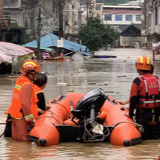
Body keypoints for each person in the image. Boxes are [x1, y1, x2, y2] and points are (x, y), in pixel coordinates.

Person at [6, 59, 42, 142]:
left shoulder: (20, 81)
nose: (37, 75)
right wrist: (30, 118)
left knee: (16, 141)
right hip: (22, 118)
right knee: (23, 141)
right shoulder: (27, 85)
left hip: (15, 116)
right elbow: (25, 104)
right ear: (30, 73)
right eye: (36, 73)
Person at [129, 55, 160, 140]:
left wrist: (130, 115)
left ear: (138, 68)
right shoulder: (158, 79)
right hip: (157, 115)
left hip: (143, 115)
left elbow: (133, 99)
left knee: (144, 138)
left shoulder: (137, 81)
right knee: (155, 138)